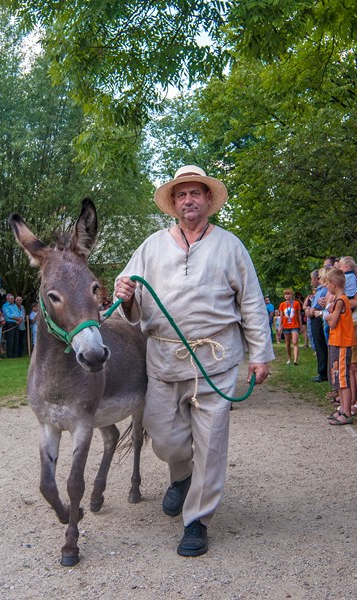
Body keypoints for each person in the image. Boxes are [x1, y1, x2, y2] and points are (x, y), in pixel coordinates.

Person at [114, 165, 274, 557]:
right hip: (164, 360)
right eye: (182, 194)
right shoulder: (151, 246)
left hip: (216, 361)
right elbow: (127, 299)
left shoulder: (230, 246)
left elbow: (252, 302)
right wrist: (125, 294)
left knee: (211, 443)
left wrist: (260, 354)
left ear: (207, 200)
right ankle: (182, 475)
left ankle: (197, 521)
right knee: (164, 438)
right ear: (173, 203)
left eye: (195, 193)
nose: (189, 200)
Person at [324, 269, 356, 425]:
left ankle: (347, 412)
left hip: (342, 344)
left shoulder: (341, 301)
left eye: (327, 283)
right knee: (338, 379)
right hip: (335, 342)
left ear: (334, 284)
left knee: (343, 380)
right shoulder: (338, 300)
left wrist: (327, 316)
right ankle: (342, 409)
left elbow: (332, 322)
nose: (326, 286)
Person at [306, 270, 328, 382]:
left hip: (318, 320)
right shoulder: (318, 291)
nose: (312, 281)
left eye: (312, 279)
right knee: (318, 346)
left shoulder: (323, 291)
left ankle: (323, 373)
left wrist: (309, 310)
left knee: (321, 346)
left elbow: (312, 310)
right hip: (315, 319)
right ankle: (322, 371)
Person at [278, 289, 302, 365]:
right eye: (285, 294)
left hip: (295, 325)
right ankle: (289, 359)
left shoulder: (296, 303)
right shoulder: (282, 304)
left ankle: (295, 360)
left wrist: (301, 325)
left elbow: (299, 315)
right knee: (287, 343)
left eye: (288, 294)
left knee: (295, 342)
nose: (286, 296)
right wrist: (280, 326)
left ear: (292, 295)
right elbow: (281, 316)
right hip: (286, 326)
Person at [2, 293, 22, 358]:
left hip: (16, 323)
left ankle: (15, 353)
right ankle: (9, 354)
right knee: (10, 339)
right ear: (7, 299)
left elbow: (19, 312)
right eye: (11, 298)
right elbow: (8, 315)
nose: (13, 300)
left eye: (13, 298)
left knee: (16, 338)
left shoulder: (14, 305)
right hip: (10, 323)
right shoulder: (5, 306)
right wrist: (17, 319)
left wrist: (19, 319)